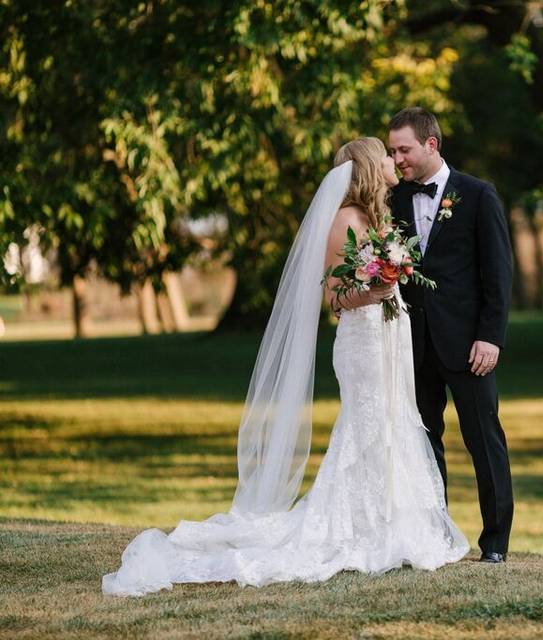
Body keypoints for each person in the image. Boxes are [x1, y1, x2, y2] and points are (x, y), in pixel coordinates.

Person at [102, 137, 469, 597]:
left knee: (394, 421)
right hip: (363, 342)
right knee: (369, 425)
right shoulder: (344, 221)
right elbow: (335, 297)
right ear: (370, 168)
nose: (395, 162)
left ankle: (390, 523)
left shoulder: (374, 219)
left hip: (388, 335)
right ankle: (361, 528)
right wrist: (374, 291)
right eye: (386, 156)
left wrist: (390, 280)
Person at [388, 107, 514, 564]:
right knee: (424, 441)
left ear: (431, 144)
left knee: (483, 438)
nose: (397, 158)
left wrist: (491, 337)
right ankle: (436, 537)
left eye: (404, 149)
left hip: (469, 344)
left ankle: (496, 543)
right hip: (413, 343)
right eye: (392, 150)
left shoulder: (478, 196)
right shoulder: (393, 200)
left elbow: (498, 274)